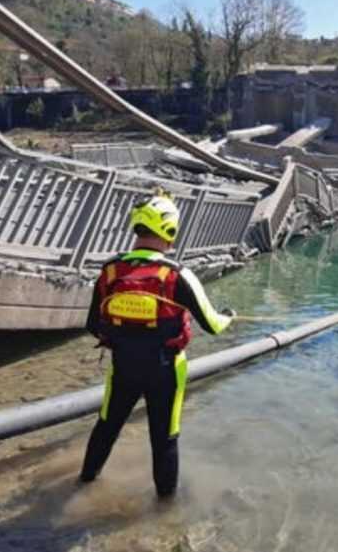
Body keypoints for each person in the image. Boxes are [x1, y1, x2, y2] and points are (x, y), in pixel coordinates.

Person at [79, 190, 235, 497]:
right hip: (165, 371)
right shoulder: (178, 274)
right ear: (170, 230)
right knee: (164, 438)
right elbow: (213, 326)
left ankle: (84, 483)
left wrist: (128, 339)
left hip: (122, 367)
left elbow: (92, 326)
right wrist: (230, 316)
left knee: (106, 426)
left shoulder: (110, 270)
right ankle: (165, 511)